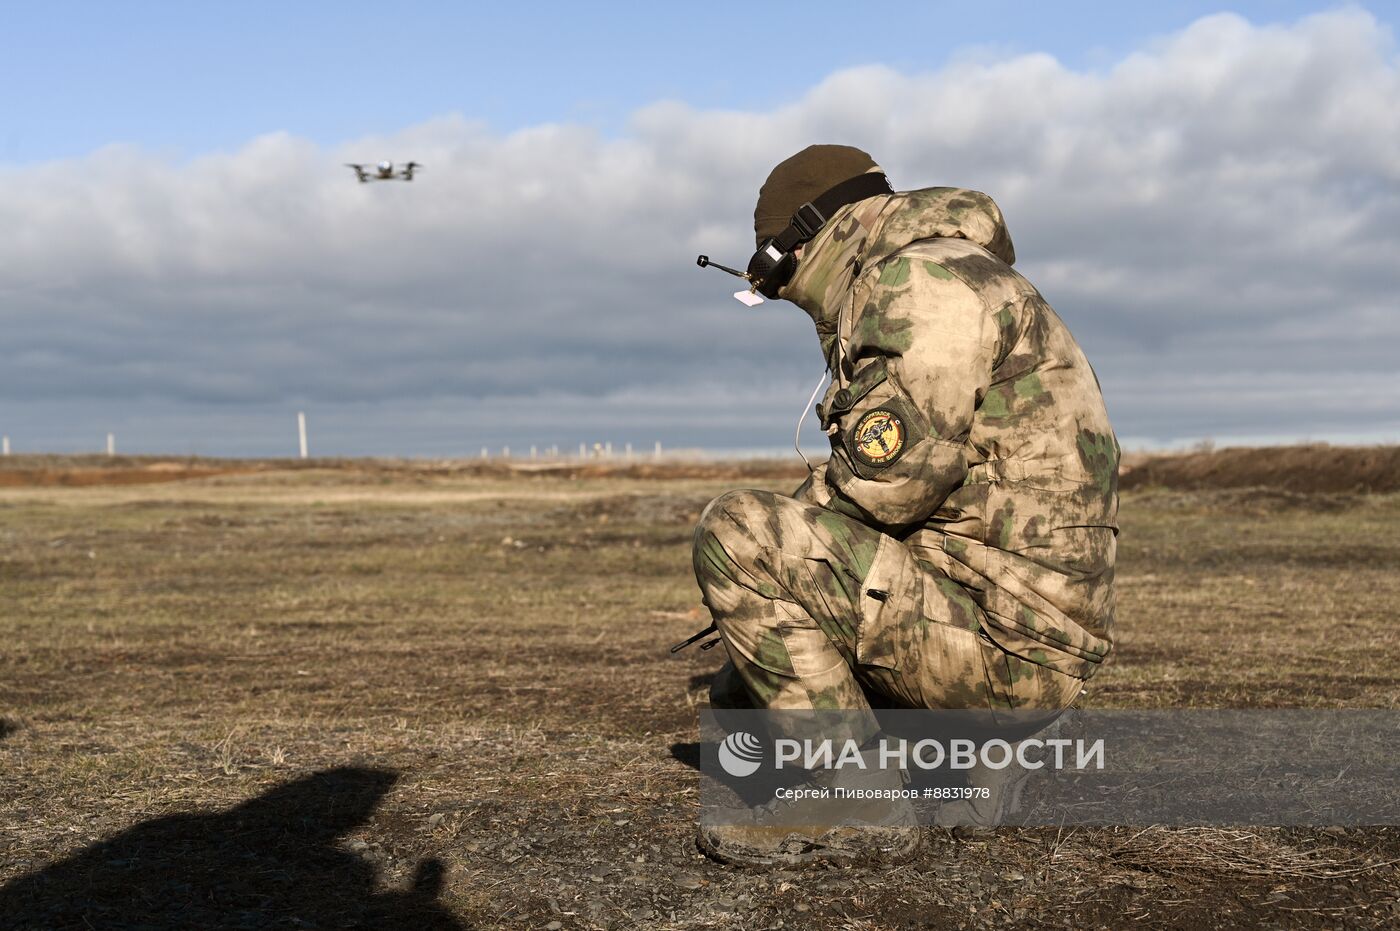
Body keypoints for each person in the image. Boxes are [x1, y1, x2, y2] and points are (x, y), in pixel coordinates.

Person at [691, 145, 1119, 866]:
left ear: (811, 235)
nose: (777, 288)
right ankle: (970, 768)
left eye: (775, 268)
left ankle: (859, 801)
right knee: (747, 694)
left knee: (739, 533)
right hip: (1018, 634)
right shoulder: (960, 272)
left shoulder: (923, 283)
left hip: (1003, 654)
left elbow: (893, 480)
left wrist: (778, 548)